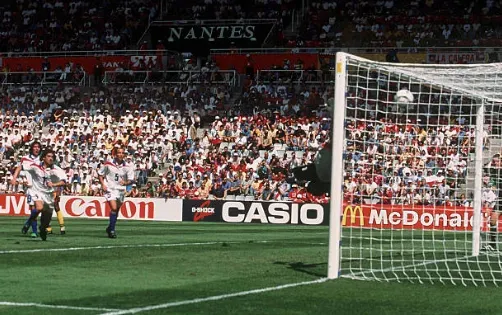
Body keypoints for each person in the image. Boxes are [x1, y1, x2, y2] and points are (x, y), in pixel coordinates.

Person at [22, 149, 66, 241]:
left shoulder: (57, 169)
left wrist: (54, 185)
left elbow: (63, 182)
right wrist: (17, 178)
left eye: (52, 157)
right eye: (49, 156)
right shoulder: (36, 166)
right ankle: (29, 222)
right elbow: (21, 166)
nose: (51, 158)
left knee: (46, 221)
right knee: (39, 208)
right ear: (43, 158)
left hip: (49, 195)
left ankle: (42, 229)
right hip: (38, 192)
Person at [98, 146, 135, 238]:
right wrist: (103, 184)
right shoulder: (108, 164)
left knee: (116, 210)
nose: (120, 154)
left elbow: (131, 180)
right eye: (119, 152)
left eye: (122, 153)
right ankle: (112, 231)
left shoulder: (128, 167)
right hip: (110, 189)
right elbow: (100, 174)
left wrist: (126, 183)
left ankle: (110, 227)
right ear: (115, 154)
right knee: (114, 208)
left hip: (121, 190)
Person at [12, 141, 41, 238]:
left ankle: (28, 223)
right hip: (31, 188)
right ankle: (34, 231)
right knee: (33, 208)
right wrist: (16, 178)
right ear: (32, 148)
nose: (37, 149)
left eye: (38, 147)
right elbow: (20, 169)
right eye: (35, 147)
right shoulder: (25, 158)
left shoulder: (42, 159)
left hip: (41, 188)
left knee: (39, 209)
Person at [484, 153, 502, 251]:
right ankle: (493, 244)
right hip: (500, 199)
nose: (495, 164)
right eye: (494, 162)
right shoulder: (494, 171)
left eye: (497, 162)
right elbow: (485, 167)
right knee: (493, 220)